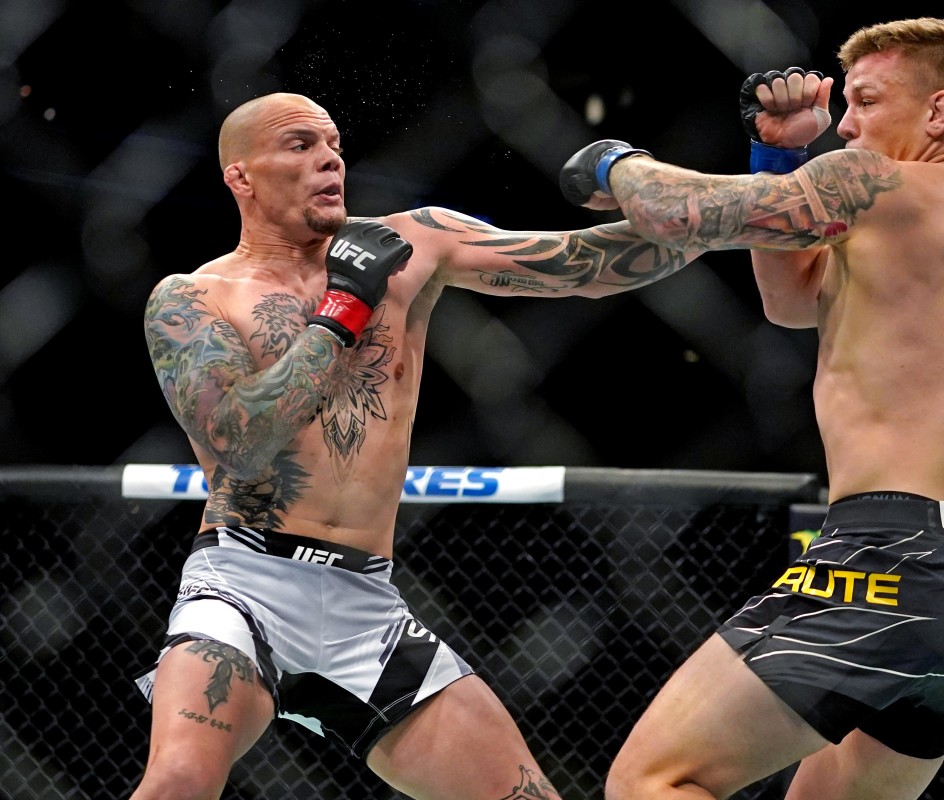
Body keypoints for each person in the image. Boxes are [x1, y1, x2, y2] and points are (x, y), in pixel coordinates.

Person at [132, 91, 702, 800]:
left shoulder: (413, 245)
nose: (329, 158)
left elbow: (582, 265)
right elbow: (239, 442)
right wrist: (341, 312)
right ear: (240, 176)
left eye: (334, 143)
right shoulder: (194, 298)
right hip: (246, 585)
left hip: (365, 603)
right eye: (300, 145)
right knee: (179, 782)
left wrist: (737, 203)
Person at [559, 17, 944, 800]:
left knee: (651, 779)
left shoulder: (876, 183)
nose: (845, 125)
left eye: (867, 101)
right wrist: (779, 155)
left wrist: (614, 162)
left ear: (939, 112)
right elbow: (792, 300)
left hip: (886, 557)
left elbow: (689, 215)